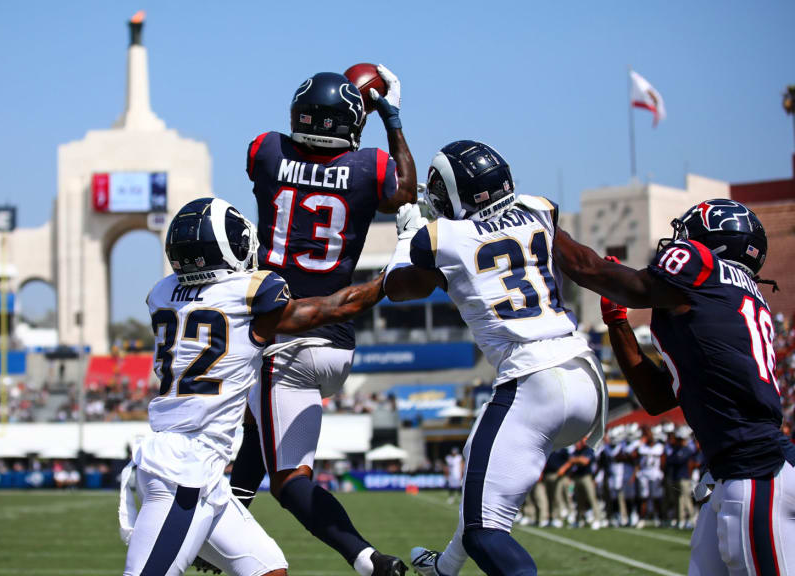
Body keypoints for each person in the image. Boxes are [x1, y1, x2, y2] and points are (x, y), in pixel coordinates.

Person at [122, 198, 385, 576]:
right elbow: (330, 309)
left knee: (268, 569)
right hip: (185, 470)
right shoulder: (249, 292)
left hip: (196, 468)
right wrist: (385, 282)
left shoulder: (161, 293)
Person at [384, 140, 607, 576]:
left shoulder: (442, 237)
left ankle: (450, 566)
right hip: (584, 373)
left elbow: (397, 287)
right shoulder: (539, 209)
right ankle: (444, 568)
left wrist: (407, 235)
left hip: (532, 381)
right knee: (479, 478)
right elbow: (585, 264)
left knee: (484, 530)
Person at [229, 67, 416, 576]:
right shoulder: (369, 165)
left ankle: (365, 558)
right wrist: (390, 118)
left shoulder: (266, 150)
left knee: (290, 481)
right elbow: (405, 189)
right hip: (337, 344)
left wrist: (332, 104)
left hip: (283, 336)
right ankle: (228, 518)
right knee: (254, 423)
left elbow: (286, 153)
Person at [553, 198, 795, 573]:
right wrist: (618, 324)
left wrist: (544, 227)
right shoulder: (731, 298)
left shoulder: (702, 268)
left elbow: (592, 269)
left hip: (755, 471)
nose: (678, 242)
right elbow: (656, 398)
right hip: (737, 469)